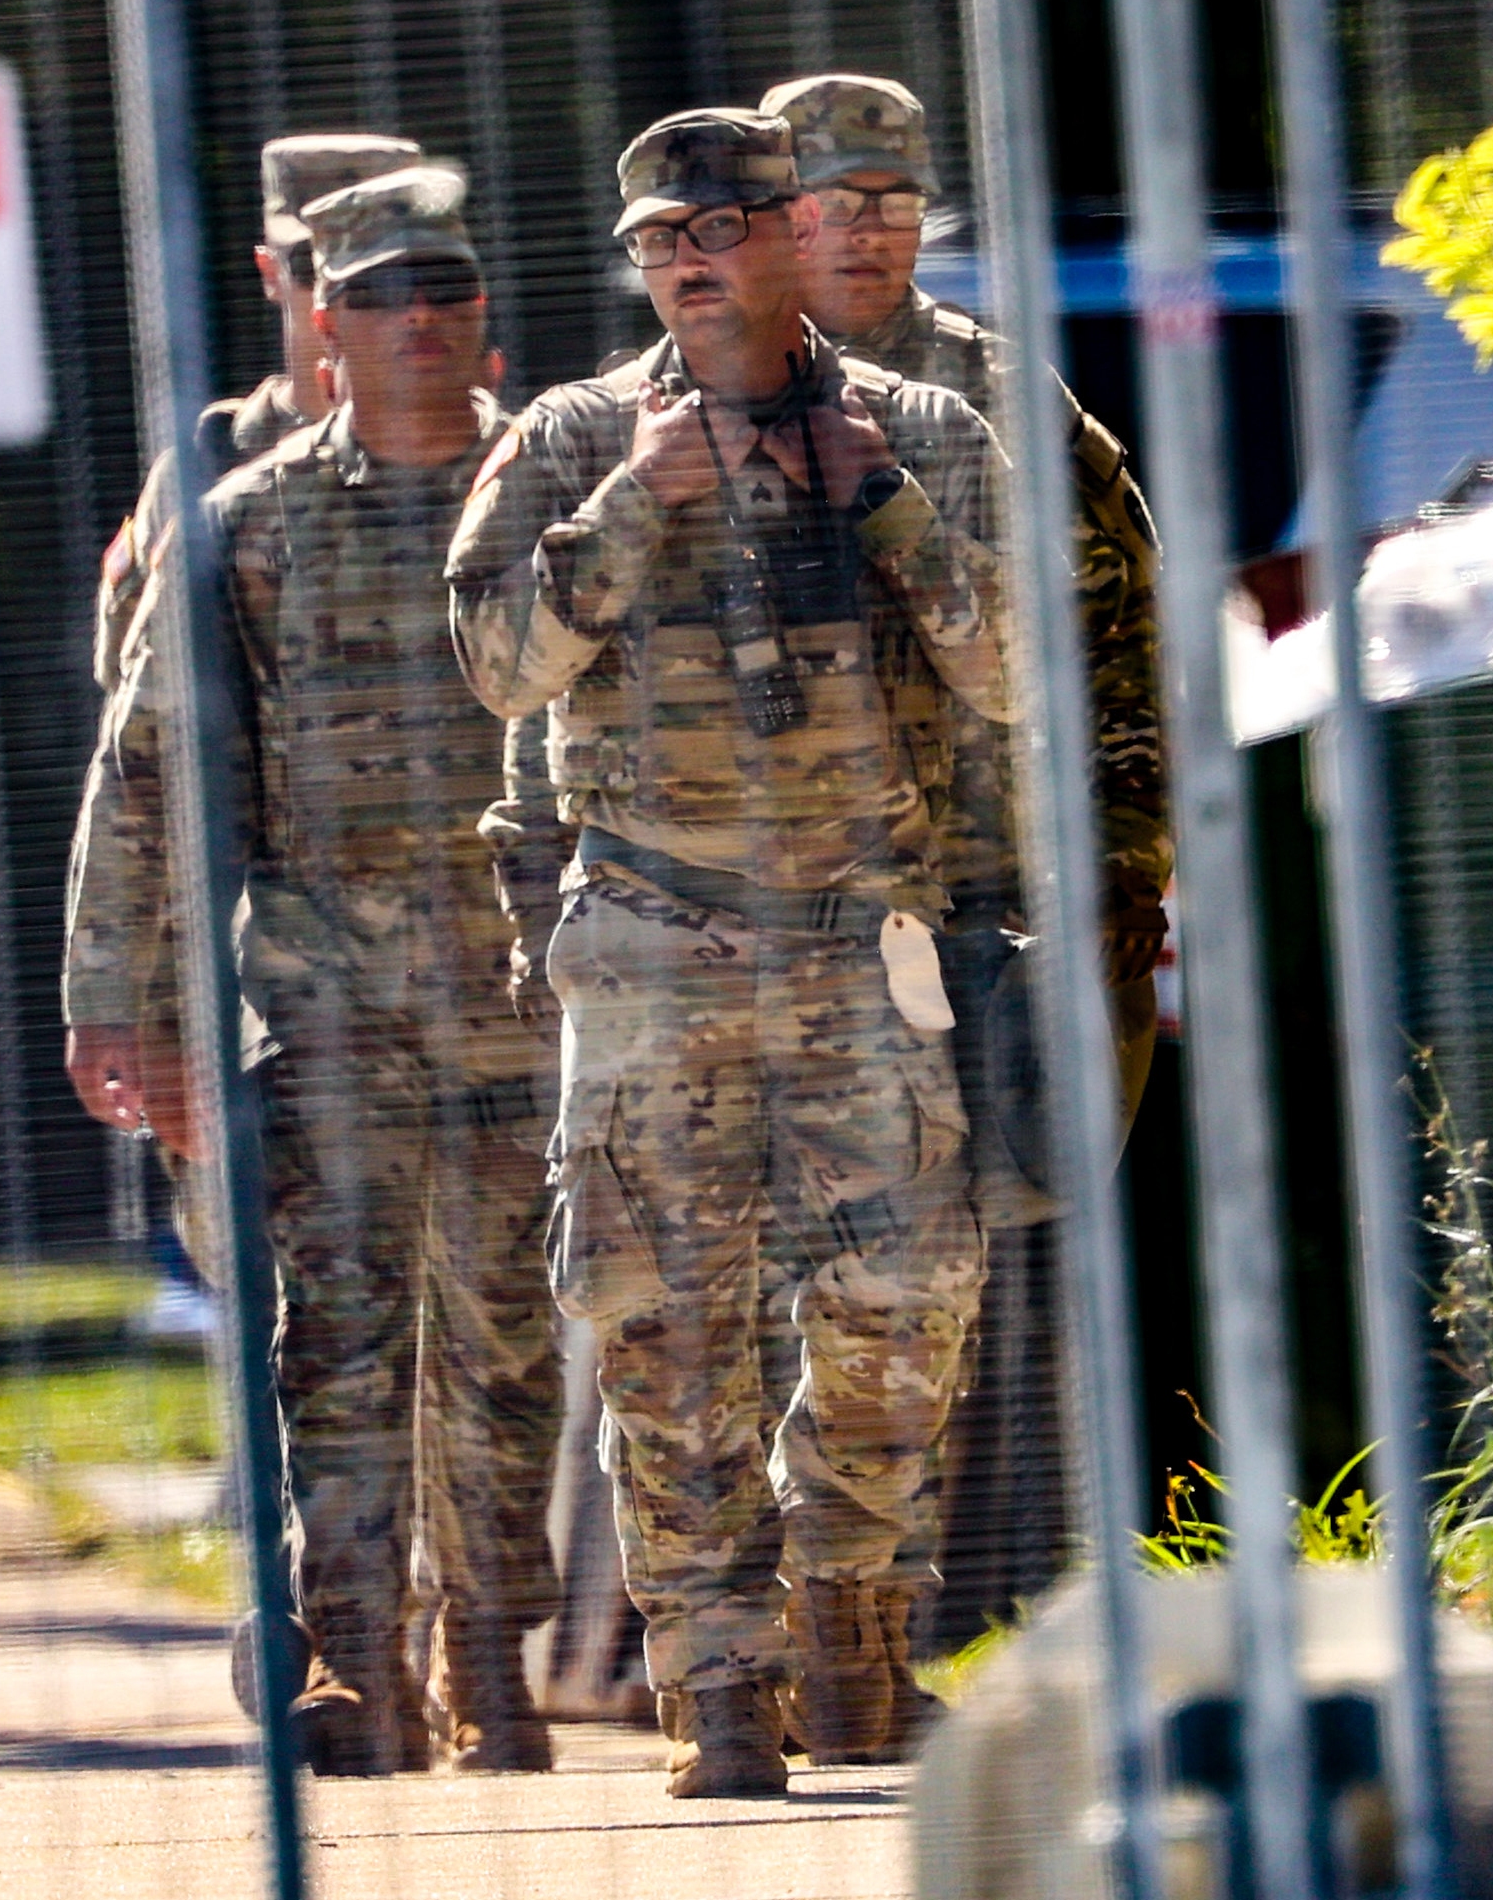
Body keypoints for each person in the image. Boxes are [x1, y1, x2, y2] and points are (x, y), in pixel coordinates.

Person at [447, 110, 1013, 1794]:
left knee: (904, 1295)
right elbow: (495, 662)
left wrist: (886, 506)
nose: (691, 258)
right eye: (660, 238)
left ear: (790, 237)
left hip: (863, 941)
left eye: (721, 226)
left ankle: (852, 1624)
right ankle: (718, 1683)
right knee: (663, 1326)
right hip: (649, 939)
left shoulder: (919, 426)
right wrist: (632, 506)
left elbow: (1017, 674)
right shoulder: (563, 439)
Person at [84, 165, 561, 1775]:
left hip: (528, 1006)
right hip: (326, 997)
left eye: (446, 289)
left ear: (483, 316)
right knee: (338, 1343)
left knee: (508, 1347)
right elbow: (152, 772)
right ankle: (352, 1657)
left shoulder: (558, 494)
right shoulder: (245, 526)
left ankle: (491, 1652)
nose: (418, 318)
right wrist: (120, 1000)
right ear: (322, 327)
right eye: (376, 296)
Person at [760, 71, 1170, 1648]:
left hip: (973, 908)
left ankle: (915, 1619)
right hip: (757, 914)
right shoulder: (694, 398)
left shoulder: (1007, 403)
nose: (856, 232)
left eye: (886, 202)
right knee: (747, 1280)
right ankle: (756, 1633)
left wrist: (1126, 864)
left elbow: (1119, 653)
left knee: (949, 1269)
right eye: (819, 204)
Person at [66, 132, 422, 1159]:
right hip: (274, 1007)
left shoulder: (510, 453)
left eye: (395, 272)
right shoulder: (213, 479)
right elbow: (148, 770)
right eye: (325, 266)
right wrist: (148, 1006)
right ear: (276, 276)